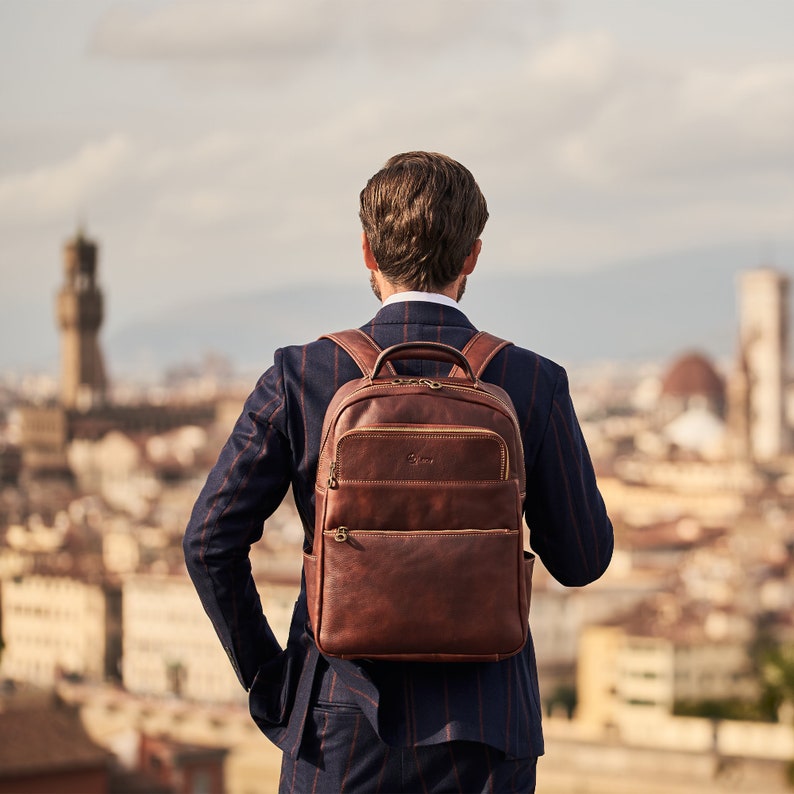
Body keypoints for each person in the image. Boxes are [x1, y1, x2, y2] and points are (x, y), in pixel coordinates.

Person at [183, 151, 613, 793]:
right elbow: (582, 560)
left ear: (366, 251)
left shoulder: (303, 375)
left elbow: (209, 539)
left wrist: (272, 682)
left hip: (336, 722)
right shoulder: (530, 381)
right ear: (472, 255)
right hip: (489, 734)